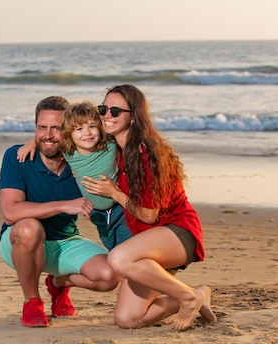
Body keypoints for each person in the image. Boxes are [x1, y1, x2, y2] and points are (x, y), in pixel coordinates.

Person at [80, 84, 217, 331]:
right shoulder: (114, 148)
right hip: (147, 246)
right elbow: (70, 130)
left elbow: (150, 215)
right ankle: (197, 294)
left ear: (133, 116)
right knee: (127, 319)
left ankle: (188, 299)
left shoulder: (146, 153)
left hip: (176, 232)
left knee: (119, 258)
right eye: (103, 109)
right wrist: (33, 143)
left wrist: (114, 194)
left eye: (115, 111)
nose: (106, 116)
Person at [0, 95, 120, 328]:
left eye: (56, 128)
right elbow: (10, 212)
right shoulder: (18, 157)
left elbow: (108, 134)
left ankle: (59, 283)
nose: (48, 134)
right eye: (41, 127)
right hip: (19, 241)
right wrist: (65, 205)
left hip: (66, 241)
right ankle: (32, 301)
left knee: (109, 277)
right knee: (29, 227)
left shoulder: (82, 161)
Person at [17, 101, 132, 250]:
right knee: (112, 246)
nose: (87, 133)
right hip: (98, 215)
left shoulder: (109, 145)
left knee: (125, 249)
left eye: (92, 126)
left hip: (120, 209)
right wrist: (31, 143)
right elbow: (49, 139)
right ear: (69, 133)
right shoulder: (69, 152)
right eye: (79, 128)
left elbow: (126, 133)